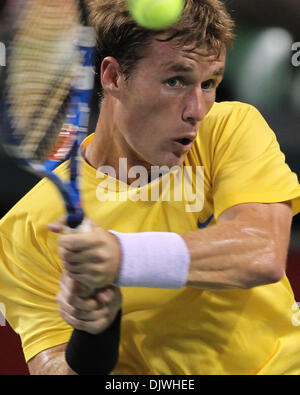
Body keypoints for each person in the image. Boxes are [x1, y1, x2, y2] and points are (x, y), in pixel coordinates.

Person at [1, 0, 300, 375]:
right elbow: (55, 368)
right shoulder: (28, 223)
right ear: (113, 77)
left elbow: (261, 250)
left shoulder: (229, 128)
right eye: (175, 80)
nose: (197, 109)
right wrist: (96, 331)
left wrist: (120, 257)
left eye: (209, 84)